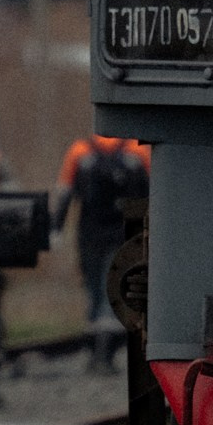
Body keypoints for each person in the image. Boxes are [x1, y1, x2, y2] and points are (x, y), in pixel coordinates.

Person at [59, 133, 151, 367]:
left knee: (93, 289)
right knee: (112, 288)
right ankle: (107, 352)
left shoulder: (79, 151)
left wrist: (55, 228)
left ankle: (95, 351)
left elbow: (65, 192)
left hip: (89, 233)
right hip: (123, 232)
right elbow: (155, 191)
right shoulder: (137, 150)